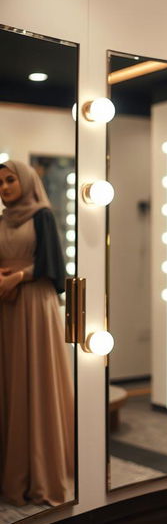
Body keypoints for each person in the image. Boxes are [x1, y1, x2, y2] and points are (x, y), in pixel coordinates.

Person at [0, 160, 74, 506]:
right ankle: (14, 471)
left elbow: (53, 265)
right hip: (7, 306)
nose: (4, 187)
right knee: (11, 382)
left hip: (35, 304)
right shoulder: (1, 220)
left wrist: (20, 276)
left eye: (10, 180)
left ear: (26, 181)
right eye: (0, 183)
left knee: (37, 381)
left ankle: (42, 471)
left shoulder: (42, 216)